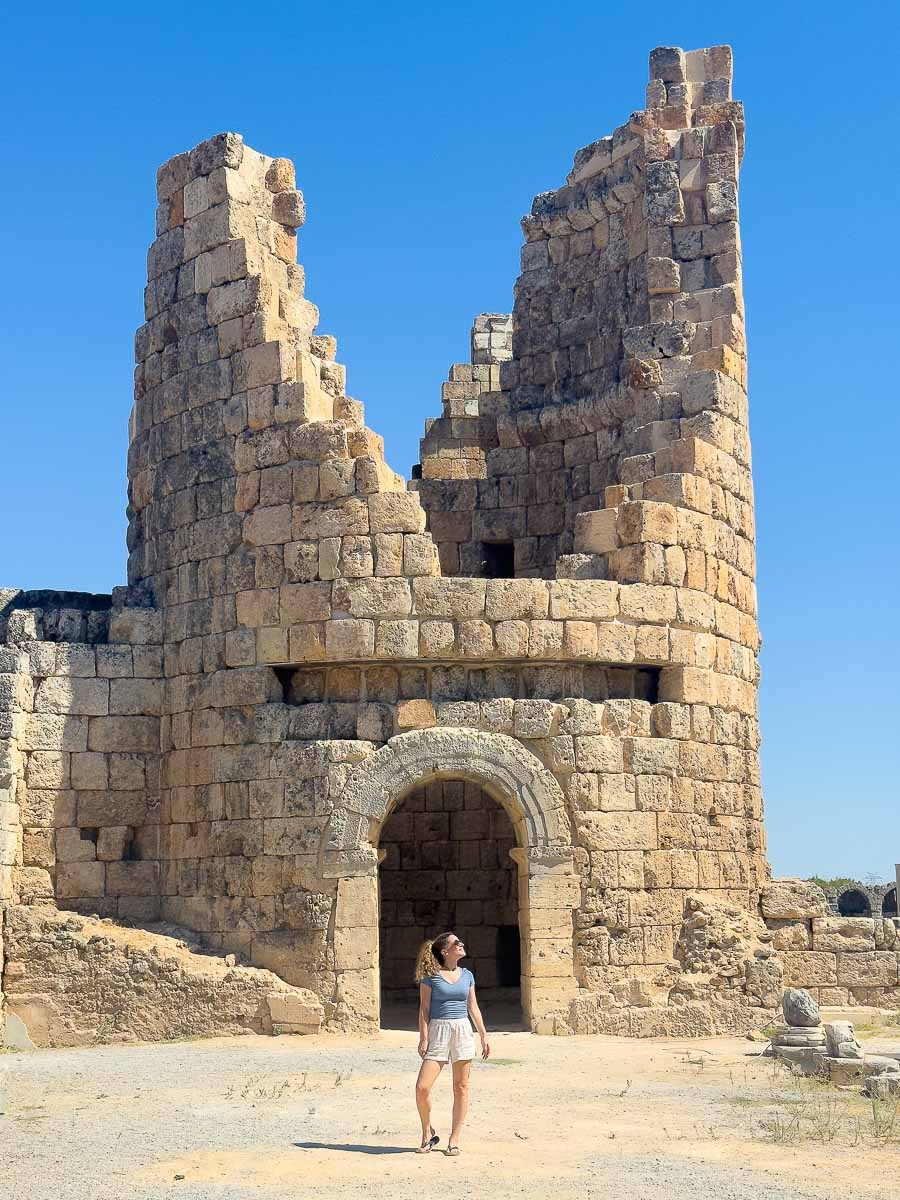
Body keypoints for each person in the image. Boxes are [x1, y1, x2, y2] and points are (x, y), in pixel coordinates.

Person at [413, 931, 490, 1156]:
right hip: (438, 1030)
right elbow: (424, 1008)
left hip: (462, 1030)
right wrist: (423, 1037)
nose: (461, 944)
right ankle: (427, 1132)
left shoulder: (467, 975)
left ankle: (454, 1139)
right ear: (445, 951)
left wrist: (483, 1035)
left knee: (461, 1087)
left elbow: (473, 1007)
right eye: (456, 943)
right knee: (422, 1087)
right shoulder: (431, 976)